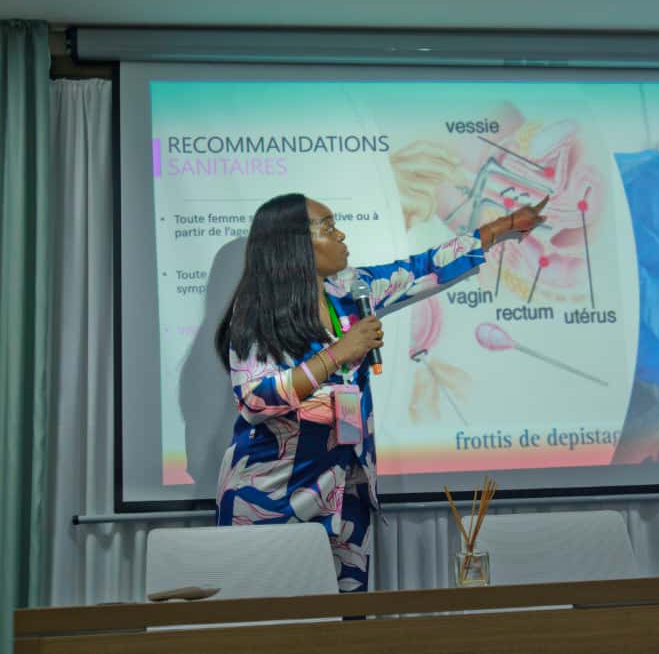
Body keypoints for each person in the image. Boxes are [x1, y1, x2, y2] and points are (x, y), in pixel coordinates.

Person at [214, 193, 547, 592]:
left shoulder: (349, 291)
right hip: (271, 496)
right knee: (274, 615)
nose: (341, 235)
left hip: (346, 492)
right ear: (294, 242)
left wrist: (501, 228)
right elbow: (254, 399)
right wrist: (339, 353)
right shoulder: (258, 310)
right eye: (328, 227)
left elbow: (424, 268)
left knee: (347, 617)